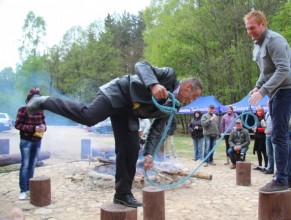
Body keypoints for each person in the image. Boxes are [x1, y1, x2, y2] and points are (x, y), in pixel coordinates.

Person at [26, 61, 203, 207]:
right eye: (193, 96)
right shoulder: (169, 76)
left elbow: (157, 129)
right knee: (89, 116)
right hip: (118, 92)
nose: (191, 101)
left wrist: (149, 153)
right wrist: (154, 84)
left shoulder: (173, 106)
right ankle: (45, 101)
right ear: (187, 86)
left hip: (129, 112)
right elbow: (141, 65)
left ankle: (122, 194)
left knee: (131, 149)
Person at [244, 10, 291, 192]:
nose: (249, 31)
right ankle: (289, 179)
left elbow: (283, 69)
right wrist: (258, 86)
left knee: (278, 135)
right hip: (277, 92)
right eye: (247, 28)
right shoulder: (258, 45)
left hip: (287, 89)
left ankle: (281, 179)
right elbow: (265, 71)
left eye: (252, 27)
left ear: (262, 24)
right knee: (280, 134)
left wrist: (263, 91)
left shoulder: (274, 40)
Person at [15, 88, 47, 200]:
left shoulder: (40, 111)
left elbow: (44, 125)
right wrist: (33, 128)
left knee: (32, 165)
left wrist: (43, 127)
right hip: (26, 141)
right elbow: (18, 125)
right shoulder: (23, 110)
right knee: (25, 166)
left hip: (37, 141)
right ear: (29, 99)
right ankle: (23, 190)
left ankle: (29, 188)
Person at [252, 106, 268, 171]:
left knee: (264, 152)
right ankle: (260, 165)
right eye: (257, 111)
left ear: (262, 111)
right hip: (257, 138)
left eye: (260, 111)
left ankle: (266, 166)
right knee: (258, 152)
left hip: (263, 138)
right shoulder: (257, 119)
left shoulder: (264, 118)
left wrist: (258, 129)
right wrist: (254, 129)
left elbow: (265, 128)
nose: (258, 112)